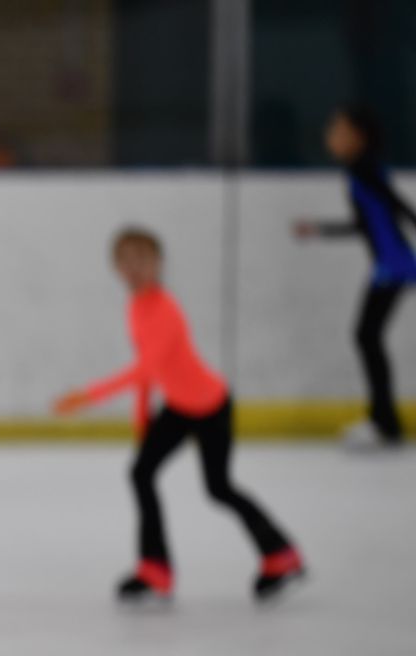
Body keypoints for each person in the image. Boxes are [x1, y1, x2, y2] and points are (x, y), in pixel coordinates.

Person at [56, 228, 304, 603]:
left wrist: (89, 395)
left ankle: (281, 555)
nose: (135, 267)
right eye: (126, 260)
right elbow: (149, 374)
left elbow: (145, 368)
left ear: (159, 263)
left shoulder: (166, 308)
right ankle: (155, 569)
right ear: (116, 268)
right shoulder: (136, 307)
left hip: (211, 405)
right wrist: (142, 423)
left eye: (143, 258)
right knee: (141, 472)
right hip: (177, 406)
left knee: (218, 488)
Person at [293, 105, 416, 449]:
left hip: (394, 264)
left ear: (358, 137)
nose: (331, 136)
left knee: (366, 337)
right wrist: (319, 229)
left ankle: (384, 422)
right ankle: (384, 420)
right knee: (368, 337)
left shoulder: (364, 169)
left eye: (339, 130)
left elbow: (395, 204)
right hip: (391, 263)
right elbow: (365, 225)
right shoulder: (358, 170)